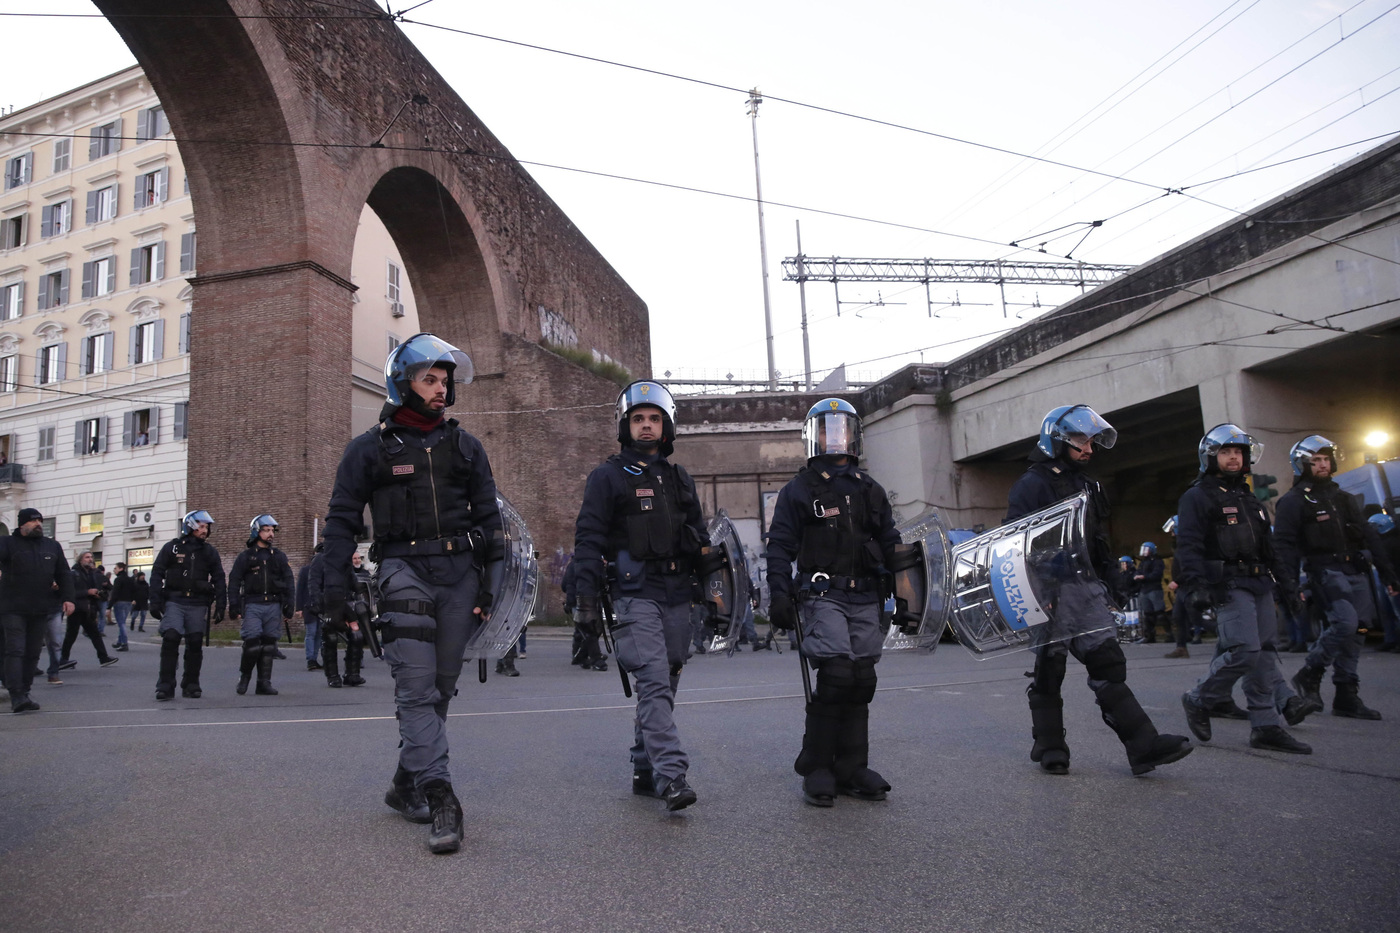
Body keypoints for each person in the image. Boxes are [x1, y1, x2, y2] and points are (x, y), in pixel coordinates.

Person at [322, 333, 503, 854]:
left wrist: (492, 584)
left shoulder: (467, 447)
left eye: (445, 379)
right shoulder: (368, 449)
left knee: (441, 690)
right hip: (403, 570)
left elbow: (491, 521)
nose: (441, 387)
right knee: (417, 688)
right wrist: (336, 590)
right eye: (430, 379)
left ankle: (406, 784)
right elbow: (340, 523)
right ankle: (442, 797)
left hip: (461, 573)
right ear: (403, 384)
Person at [1006, 405, 1192, 776]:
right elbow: (1013, 543)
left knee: (1107, 662)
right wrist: (1032, 591)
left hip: (1086, 586)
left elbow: (1098, 541)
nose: (1088, 448)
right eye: (1079, 440)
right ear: (1057, 440)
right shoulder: (1032, 483)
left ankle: (1143, 746)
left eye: (1091, 441)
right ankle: (1049, 745)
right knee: (1050, 668)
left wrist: (1112, 581)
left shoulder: (1089, 484)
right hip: (1049, 587)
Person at [573, 379, 705, 812]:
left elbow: (701, 541)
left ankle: (643, 769)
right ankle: (672, 776)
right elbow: (589, 541)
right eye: (638, 419)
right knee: (651, 681)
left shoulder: (680, 478)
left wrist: (716, 592)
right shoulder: (607, 476)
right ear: (624, 425)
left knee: (665, 680)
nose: (646, 426)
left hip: (677, 591)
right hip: (634, 593)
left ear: (666, 426)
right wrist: (587, 602)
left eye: (653, 419)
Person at [766, 398, 903, 806]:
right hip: (822, 593)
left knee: (862, 678)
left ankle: (853, 766)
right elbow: (779, 547)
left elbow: (891, 542)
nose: (836, 438)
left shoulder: (869, 489)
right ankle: (818, 766)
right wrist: (777, 593)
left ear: (855, 436)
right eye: (827, 430)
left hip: (865, 594)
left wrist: (910, 589)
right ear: (813, 437)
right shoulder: (799, 490)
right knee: (838, 672)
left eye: (843, 429)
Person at [1178, 425, 1318, 754]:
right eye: (1226, 452)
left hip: (1259, 582)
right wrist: (1196, 586)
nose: (1233, 458)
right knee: (1246, 651)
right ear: (1211, 457)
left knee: (1266, 654)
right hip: (1227, 583)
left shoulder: (1249, 498)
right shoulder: (1196, 497)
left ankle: (1266, 726)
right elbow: (1188, 546)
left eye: (1238, 452)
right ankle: (1199, 698)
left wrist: (1288, 586)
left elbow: (1270, 549)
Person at [1275, 435, 1399, 720]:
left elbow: (1369, 537)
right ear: (1302, 465)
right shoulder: (1293, 502)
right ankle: (1311, 671)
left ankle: (1346, 694)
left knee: (1359, 631)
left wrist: (1389, 574)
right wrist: (1289, 586)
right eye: (1315, 460)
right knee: (1345, 623)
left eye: (1325, 459)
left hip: (1356, 572)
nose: (1322, 465)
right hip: (1325, 573)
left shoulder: (1343, 498)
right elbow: (1284, 547)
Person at [0, 508, 75, 712]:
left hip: (42, 607)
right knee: (15, 649)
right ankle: (16, 695)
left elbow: (63, 573)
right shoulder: (7, 543)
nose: (38, 524)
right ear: (22, 524)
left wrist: (68, 598)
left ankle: (24, 691)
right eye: (33, 521)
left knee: (33, 652)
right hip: (12, 607)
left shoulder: (52, 546)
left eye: (40, 521)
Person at [149, 510, 227, 701]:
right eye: (201, 527)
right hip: (175, 600)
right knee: (171, 638)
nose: (205, 531)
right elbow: (157, 572)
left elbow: (218, 577)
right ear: (190, 526)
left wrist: (221, 604)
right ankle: (165, 685)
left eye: (207, 527)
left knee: (194, 643)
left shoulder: (209, 552)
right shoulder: (172, 548)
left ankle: (191, 683)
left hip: (198, 602)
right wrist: (155, 600)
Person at [229, 514, 295, 696]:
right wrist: (233, 604)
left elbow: (289, 581)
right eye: (266, 530)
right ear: (256, 532)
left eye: (272, 530)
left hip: (273, 604)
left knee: (268, 645)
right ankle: (244, 677)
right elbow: (234, 581)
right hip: (253, 603)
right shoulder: (246, 557)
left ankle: (264, 683)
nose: (270, 534)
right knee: (252, 644)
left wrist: (290, 603)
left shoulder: (278, 556)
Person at [61, 552, 119, 670]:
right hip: (77, 608)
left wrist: (97, 595)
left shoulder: (91, 573)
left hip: (88, 609)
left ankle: (103, 657)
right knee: (71, 635)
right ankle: (63, 659)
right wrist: (87, 592)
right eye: (87, 557)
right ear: (80, 560)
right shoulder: (74, 573)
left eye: (91, 557)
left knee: (95, 634)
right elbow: (70, 592)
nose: (90, 559)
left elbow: (96, 589)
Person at [1133, 542, 1166, 643]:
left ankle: (1169, 634)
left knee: (1160, 612)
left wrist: (1144, 577)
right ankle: (1150, 636)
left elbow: (1156, 574)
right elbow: (1138, 571)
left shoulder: (1157, 561)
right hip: (1145, 589)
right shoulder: (1143, 562)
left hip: (1154, 588)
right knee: (1148, 614)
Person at [296, 551, 322, 671]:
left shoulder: (324, 570)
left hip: (321, 606)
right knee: (311, 632)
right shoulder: (305, 570)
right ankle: (310, 659)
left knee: (319, 633)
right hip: (309, 606)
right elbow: (300, 589)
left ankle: (315, 658)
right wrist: (299, 608)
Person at [109, 562, 135, 652]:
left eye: (115, 568)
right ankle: (120, 642)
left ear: (121, 569)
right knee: (122, 622)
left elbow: (115, 593)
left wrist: (109, 606)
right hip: (128, 602)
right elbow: (134, 590)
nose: (114, 570)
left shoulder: (118, 579)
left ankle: (124, 643)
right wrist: (133, 599)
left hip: (119, 602)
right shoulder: (130, 579)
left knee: (121, 623)